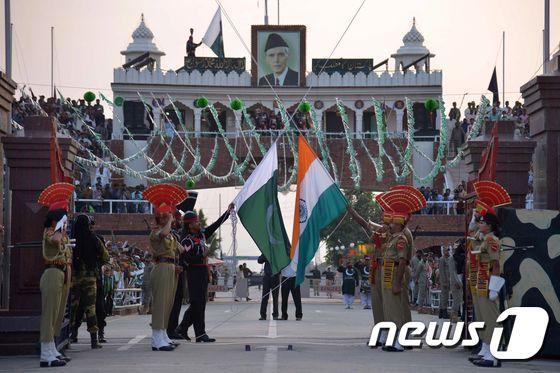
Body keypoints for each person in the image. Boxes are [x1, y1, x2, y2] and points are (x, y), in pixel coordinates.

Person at [176, 196, 233, 342]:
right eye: (195, 221)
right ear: (189, 225)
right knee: (198, 303)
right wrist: (203, 254)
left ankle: (182, 329)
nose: (198, 222)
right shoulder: (186, 240)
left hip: (202, 271)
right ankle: (200, 333)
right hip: (194, 272)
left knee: (199, 303)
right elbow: (187, 259)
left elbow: (215, 226)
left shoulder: (201, 235)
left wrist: (227, 212)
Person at [376, 186, 426, 352]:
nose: (388, 224)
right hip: (389, 272)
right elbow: (373, 247)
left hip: (398, 272)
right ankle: (395, 337)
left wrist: (398, 281)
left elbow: (403, 259)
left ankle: (403, 338)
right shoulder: (392, 237)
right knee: (390, 307)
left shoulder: (403, 237)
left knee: (399, 306)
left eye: (390, 221)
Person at [469, 181, 511, 368]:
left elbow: (495, 265)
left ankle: (493, 355)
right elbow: (472, 236)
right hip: (480, 280)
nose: (479, 224)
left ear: (490, 225)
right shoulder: (483, 237)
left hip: (488, 282)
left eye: (482, 222)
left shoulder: (492, 240)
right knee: (484, 317)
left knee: (492, 318)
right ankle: (486, 350)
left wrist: (494, 287)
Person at [144, 183, 188, 351]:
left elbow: (181, 249)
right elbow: (163, 234)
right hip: (161, 267)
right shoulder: (156, 233)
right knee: (160, 303)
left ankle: (163, 334)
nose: (170, 218)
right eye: (167, 216)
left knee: (168, 304)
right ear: (160, 218)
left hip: (171, 269)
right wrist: (169, 219)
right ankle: (156, 338)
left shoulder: (171, 236)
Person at [37, 182, 75, 367]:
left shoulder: (62, 233)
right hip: (52, 273)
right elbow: (56, 240)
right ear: (57, 218)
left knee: (58, 314)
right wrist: (60, 225)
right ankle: (45, 353)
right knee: (49, 313)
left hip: (62, 274)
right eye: (64, 216)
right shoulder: (50, 231)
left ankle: (52, 348)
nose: (66, 220)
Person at [69, 215, 109, 348]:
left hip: (75, 278)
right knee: (91, 308)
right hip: (91, 278)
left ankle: (71, 335)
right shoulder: (94, 239)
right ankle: (94, 339)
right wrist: (96, 263)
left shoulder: (71, 240)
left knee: (74, 307)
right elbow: (105, 256)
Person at [258, 254, 280, 320]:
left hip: (275, 277)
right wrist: (265, 255)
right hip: (267, 277)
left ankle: (275, 315)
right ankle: (263, 315)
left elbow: (283, 263)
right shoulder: (266, 251)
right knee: (265, 297)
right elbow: (259, 260)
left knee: (275, 297)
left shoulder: (278, 252)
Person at [448, 243, 463, 323]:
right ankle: (454, 315)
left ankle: (456, 314)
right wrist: (457, 282)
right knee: (456, 299)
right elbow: (452, 271)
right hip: (455, 281)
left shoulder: (460, 258)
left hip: (460, 279)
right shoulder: (452, 258)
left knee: (460, 299)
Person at [437, 246, 450, 319]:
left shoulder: (447, 259)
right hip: (444, 281)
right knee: (444, 296)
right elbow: (441, 271)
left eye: (448, 251)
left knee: (444, 296)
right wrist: (444, 281)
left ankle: (441, 312)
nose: (447, 252)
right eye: (446, 251)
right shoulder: (442, 259)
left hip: (447, 280)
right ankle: (444, 312)